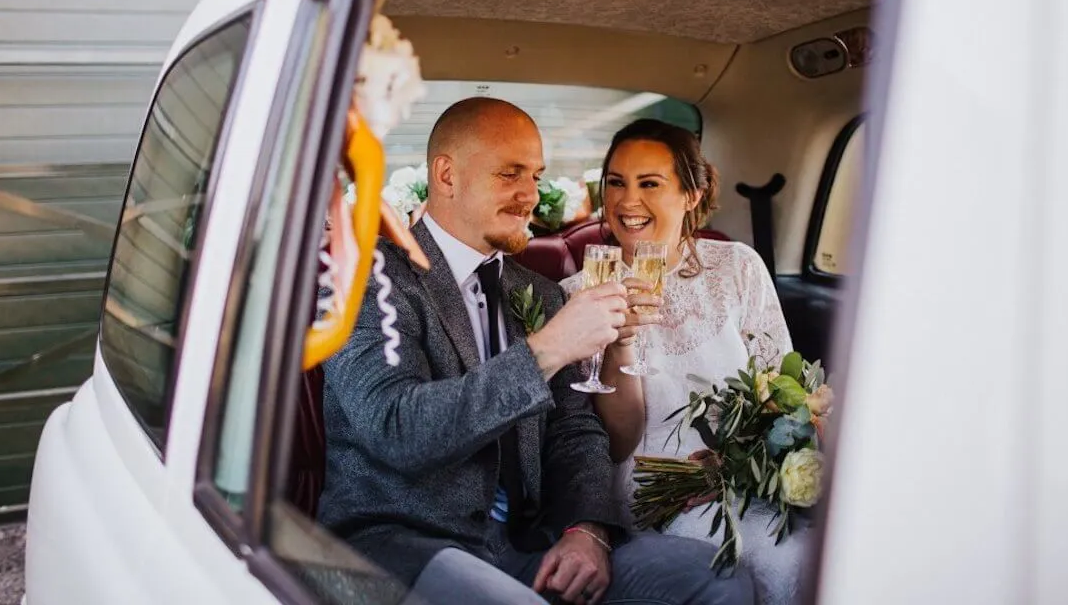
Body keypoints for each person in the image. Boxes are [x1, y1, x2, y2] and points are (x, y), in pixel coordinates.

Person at [319, 99, 754, 605]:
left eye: (537, 176)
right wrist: (545, 350)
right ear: (446, 175)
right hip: (403, 544)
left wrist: (587, 531)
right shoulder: (369, 281)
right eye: (510, 175)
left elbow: (575, 430)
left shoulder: (539, 294)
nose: (530, 195)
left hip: (528, 545)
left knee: (715, 577)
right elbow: (396, 429)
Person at [560, 118, 810, 605]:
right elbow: (615, 445)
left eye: (649, 183)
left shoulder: (738, 267)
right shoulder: (576, 294)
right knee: (770, 559)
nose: (627, 202)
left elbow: (782, 392)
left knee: (811, 551)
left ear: (691, 195)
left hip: (743, 479)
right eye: (616, 183)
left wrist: (733, 463)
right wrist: (620, 343)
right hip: (649, 495)